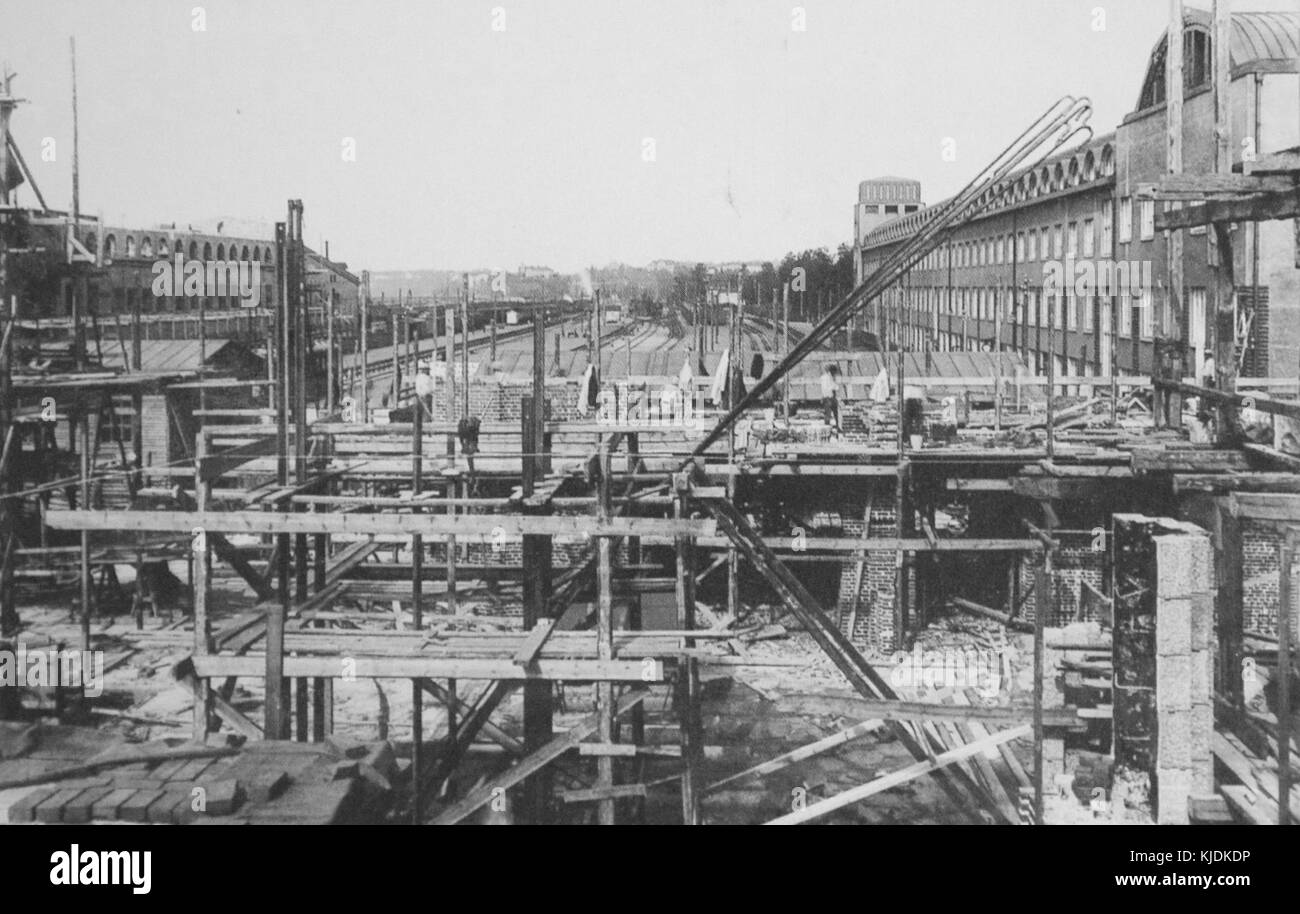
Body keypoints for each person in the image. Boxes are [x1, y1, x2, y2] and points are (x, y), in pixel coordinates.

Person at [820, 364, 842, 432]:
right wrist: (835, 387)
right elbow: (829, 388)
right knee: (828, 414)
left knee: (835, 413)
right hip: (827, 398)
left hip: (831, 398)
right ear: (831, 371)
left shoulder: (830, 377)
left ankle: (838, 427)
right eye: (834, 372)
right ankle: (828, 429)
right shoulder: (825, 378)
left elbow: (835, 387)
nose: (835, 374)